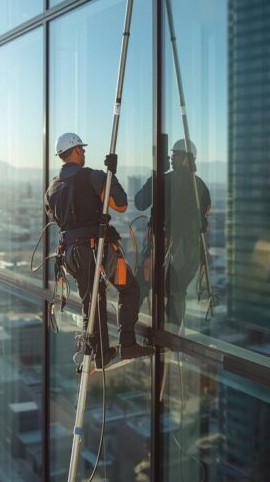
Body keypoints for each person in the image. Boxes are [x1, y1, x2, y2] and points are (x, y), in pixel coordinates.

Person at [44, 132, 155, 369]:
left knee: (91, 301)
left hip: (71, 256)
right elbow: (121, 204)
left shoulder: (52, 187)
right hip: (96, 250)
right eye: (82, 149)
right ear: (74, 151)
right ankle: (127, 343)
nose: (84, 153)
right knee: (129, 288)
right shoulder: (91, 177)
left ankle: (101, 352)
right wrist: (109, 177)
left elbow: (55, 216)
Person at [135, 139, 211, 329]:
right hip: (188, 251)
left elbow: (140, 202)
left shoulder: (164, 180)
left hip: (163, 244)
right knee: (176, 293)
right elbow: (205, 213)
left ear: (186, 158)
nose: (170, 158)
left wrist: (155, 175)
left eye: (175, 154)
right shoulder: (200, 186)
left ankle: (128, 331)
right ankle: (170, 338)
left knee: (142, 285)